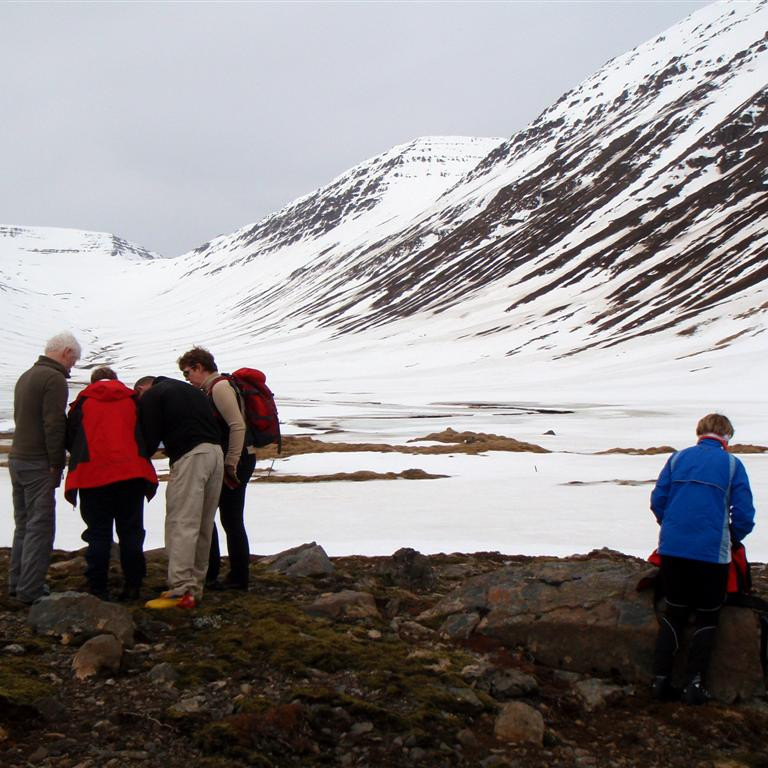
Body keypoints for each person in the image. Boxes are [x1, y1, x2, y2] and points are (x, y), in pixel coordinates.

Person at [650, 413, 755, 704]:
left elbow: (659, 500)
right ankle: (694, 685)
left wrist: (671, 528)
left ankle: (660, 680)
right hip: (712, 554)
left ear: (699, 433)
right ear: (726, 438)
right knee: (708, 616)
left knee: (675, 612)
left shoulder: (676, 459)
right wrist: (733, 538)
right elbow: (744, 514)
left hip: (673, 549)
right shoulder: (733, 465)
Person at [64, 366, 158, 601]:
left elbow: (71, 438)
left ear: (92, 382)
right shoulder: (132, 400)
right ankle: (133, 585)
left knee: (98, 533)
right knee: (131, 531)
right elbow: (146, 434)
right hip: (131, 475)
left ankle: (98, 587)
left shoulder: (82, 403)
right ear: (116, 380)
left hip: (93, 476)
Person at [134, 373, 224, 609]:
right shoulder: (190, 390)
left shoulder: (153, 394)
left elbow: (149, 438)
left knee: (182, 521)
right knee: (204, 523)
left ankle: (180, 590)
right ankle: (195, 586)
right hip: (215, 454)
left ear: (143, 388)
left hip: (191, 457)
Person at [8, 331, 81, 604]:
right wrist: (56, 463)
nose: (71, 368)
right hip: (38, 462)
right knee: (40, 527)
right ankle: (31, 590)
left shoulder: (27, 375)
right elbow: (54, 424)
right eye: (72, 363)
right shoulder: (54, 378)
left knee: (24, 525)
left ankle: (17, 583)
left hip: (17, 459)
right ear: (66, 354)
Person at [177, 346, 256, 591]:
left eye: (187, 372)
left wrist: (231, 462)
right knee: (221, 517)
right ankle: (222, 573)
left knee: (228, 519)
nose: (187, 378)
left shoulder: (219, 387)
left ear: (200, 367)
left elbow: (237, 426)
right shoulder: (211, 387)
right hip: (234, 458)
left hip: (236, 460)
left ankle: (234, 577)